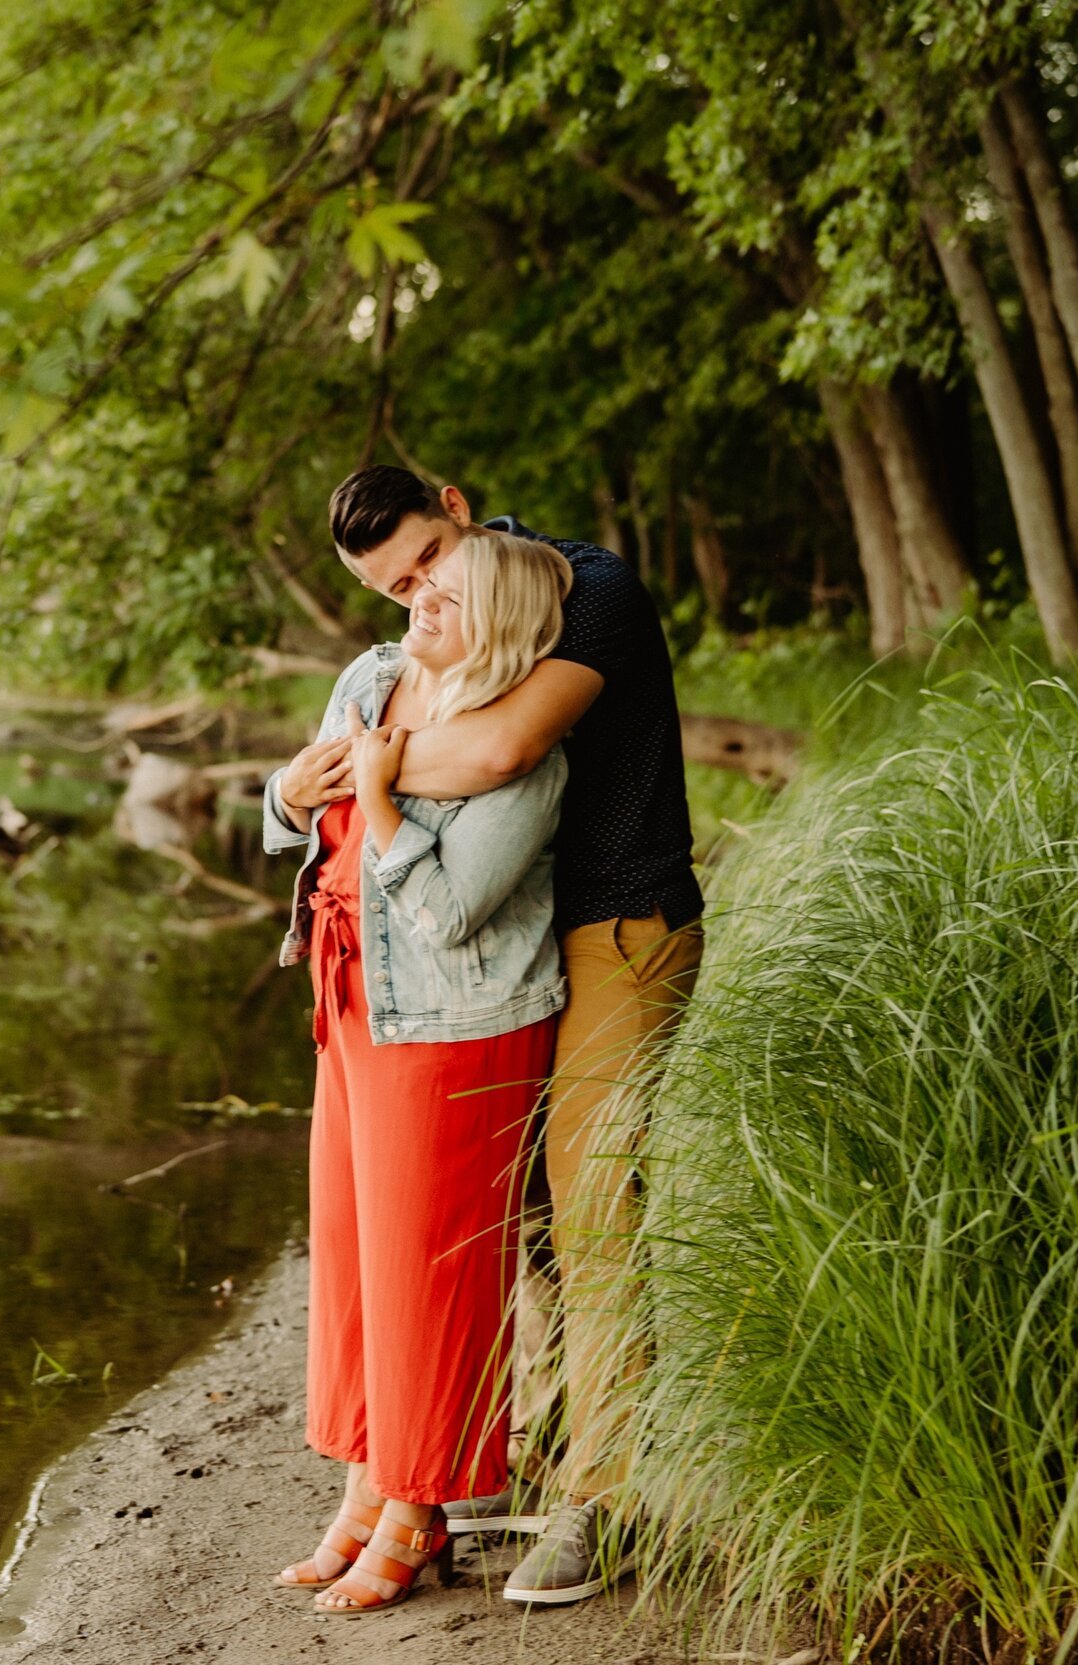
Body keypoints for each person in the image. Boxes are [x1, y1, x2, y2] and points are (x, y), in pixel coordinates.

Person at [284, 466, 703, 1607]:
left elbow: (501, 752)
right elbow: (423, 756)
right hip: (499, 951)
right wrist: (303, 787)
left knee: (593, 1204)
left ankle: (607, 1505)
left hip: (610, 924)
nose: (414, 593)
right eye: (393, 588)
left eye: (424, 563)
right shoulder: (425, 642)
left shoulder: (587, 590)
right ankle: (534, 1445)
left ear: (457, 506)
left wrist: (360, 771)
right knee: (512, 1224)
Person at [260, 530, 575, 1616]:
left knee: (426, 1272)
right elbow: (295, 814)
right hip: (350, 1005)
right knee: (354, 1258)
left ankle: (422, 1505)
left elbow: (446, 916)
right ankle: (367, 1483)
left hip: (452, 1024)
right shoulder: (376, 687)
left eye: (445, 596)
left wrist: (385, 799)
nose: (417, 602)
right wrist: (291, 794)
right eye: (421, 591)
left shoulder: (522, 757)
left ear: (497, 625)